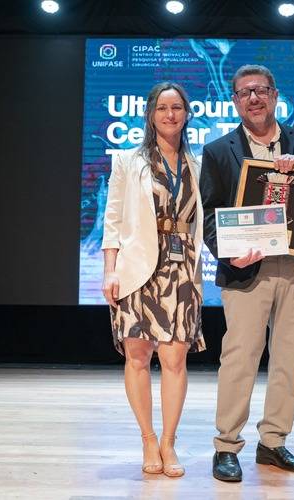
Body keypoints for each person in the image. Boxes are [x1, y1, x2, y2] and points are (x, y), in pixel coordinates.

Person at [199, 64, 294, 482]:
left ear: (275, 95)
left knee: (288, 358)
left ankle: (274, 442)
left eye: (261, 90)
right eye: (245, 92)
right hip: (248, 268)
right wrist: (229, 254)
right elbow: (209, 216)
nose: (254, 98)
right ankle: (227, 446)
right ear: (234, 100)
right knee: (239, 356)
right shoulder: (217, 150)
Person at [101, 82, 204, 478]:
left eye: (177, 107)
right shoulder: (127, 161)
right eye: (162, 107)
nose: (170, 114)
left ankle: (168, 442)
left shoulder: (198, 164)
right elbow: (113, 219)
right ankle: (147, 438)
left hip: (182, 269)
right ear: (150, 114)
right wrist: (110, 269)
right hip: (137, 266)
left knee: (175, 358)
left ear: (186, 114)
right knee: (138, 356)